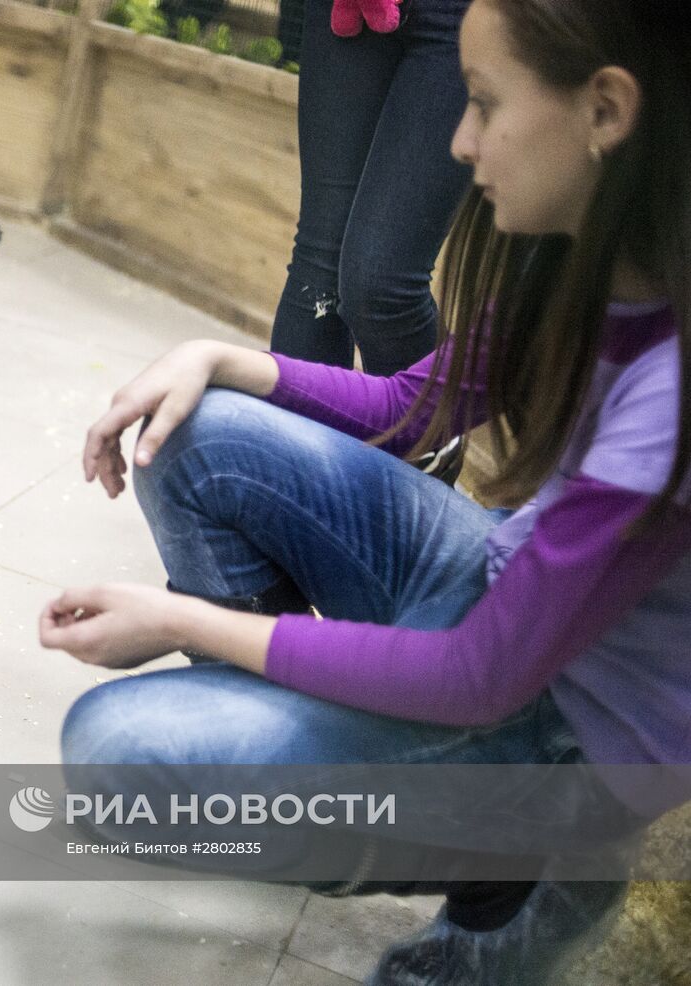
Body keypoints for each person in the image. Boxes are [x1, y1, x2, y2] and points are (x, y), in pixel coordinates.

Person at [39, 1, 690, 982]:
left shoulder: (672, 389)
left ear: (603, 110)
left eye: (480, 102)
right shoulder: (584, 247)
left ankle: (535, 867)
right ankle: (327, 752)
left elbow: (481, 676)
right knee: (195, 430)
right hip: (497, 583)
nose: (461, 141)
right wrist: (213, 357)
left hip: (568, 739)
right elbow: (413, 406)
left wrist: (180, 617)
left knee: (120, 755)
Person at [271, 0, 472, 382]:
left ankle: (429, 435)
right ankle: (294, 441)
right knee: (318, 272)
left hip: (466, 16)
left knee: (381, 288)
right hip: (345, 12)